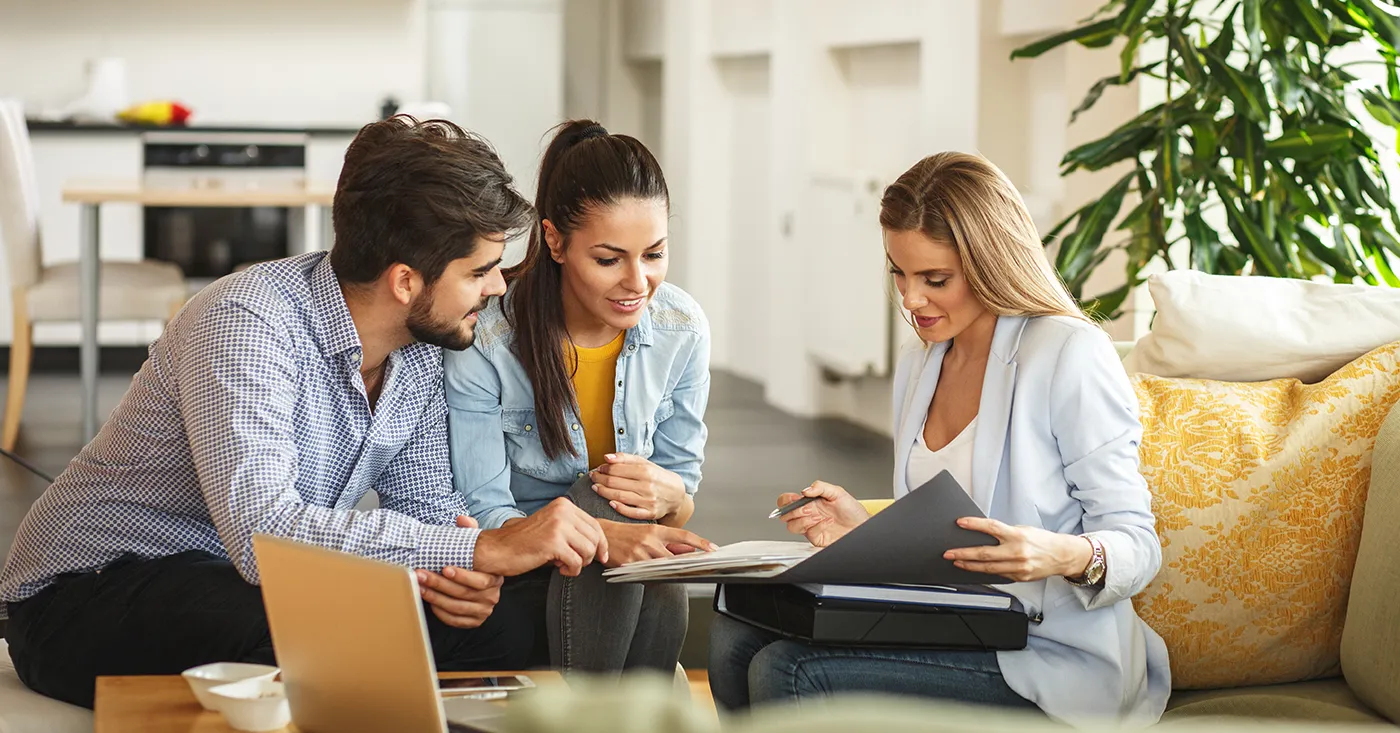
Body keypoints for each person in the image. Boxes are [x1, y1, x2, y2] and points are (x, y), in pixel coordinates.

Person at [0, 116, 611, 709]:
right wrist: (479, 551)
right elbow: (262, 533)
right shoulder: (246, 322)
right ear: (405, 281)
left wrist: (459, 576)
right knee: (317, 630)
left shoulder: (423, 348)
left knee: (504, 628)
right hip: (86, 592)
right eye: (479, 272)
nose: (498, 287)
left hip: (246, 581)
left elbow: (426, 508)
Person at [708, 152, 1170, 726]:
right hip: (954, 625)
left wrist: (1060, 554)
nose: (910, 299)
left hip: (1047, 653)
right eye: (899, 273)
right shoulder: (921, 360)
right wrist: (863, 528)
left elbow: (1138, 545)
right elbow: (944, 533)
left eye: (935, 280)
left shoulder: (1068, 353)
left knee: (790, 670)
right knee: (733, 637)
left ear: (991, 263)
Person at [444, 120, 714, 675]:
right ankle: (628, 706)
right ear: (555, 241)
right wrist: (604, 533)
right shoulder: (488, 337)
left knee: (640, 533)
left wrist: (670, 496)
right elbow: (484, 511)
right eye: (609, 260)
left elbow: (679, 501)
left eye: (654, 254)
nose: (637, 282)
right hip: (525, 569)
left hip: (626, 575)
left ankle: (617, 709)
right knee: (598, 500)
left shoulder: (682, 327)